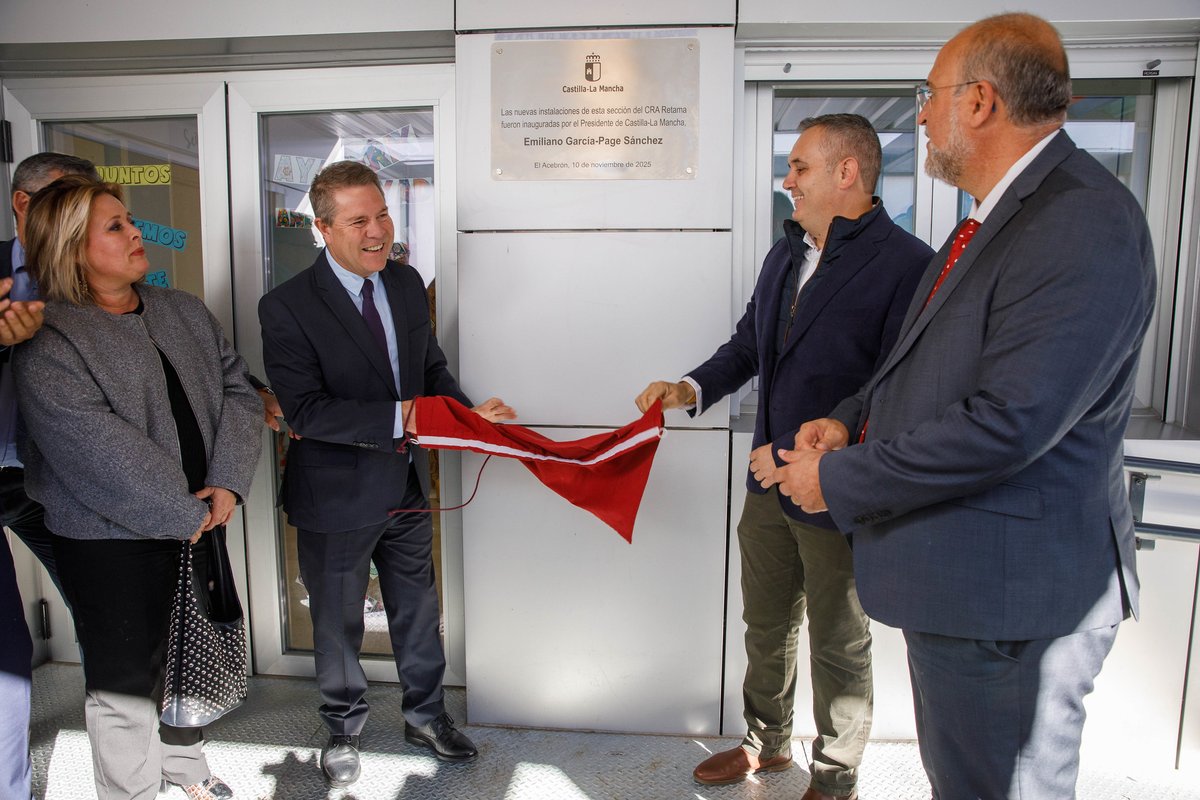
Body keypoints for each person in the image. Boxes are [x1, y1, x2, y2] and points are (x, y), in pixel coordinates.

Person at [773, 13, 1156, 799]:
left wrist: (838, 478)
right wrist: (851, 414)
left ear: (979, 102)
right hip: (972, 590)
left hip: (1011, 604)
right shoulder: (994, 220)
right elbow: (924, 362)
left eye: (928, 94)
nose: (919, 114)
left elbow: (1010, 421)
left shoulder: (1079, 221)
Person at [636, 114, 932, 800]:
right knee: (766, 624)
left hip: (836, 487)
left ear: (846, 173)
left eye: (799, 167)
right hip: (764, 486)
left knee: (838, 639)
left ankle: (835, 774)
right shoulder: (786, 251)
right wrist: (690, 387)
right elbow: (749, 346)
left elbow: (893, 389)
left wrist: (805, 450)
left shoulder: (908, 265)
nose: (787, 180)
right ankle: (765, 745)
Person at [258, 161, 515, 788]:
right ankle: (343, 724)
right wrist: (401, 417)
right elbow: (306, 411)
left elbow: (429, 369)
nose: (378, 231)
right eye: (358, 221)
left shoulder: (404, 285)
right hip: (334, 495)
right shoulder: (286, 308)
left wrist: (463, 413)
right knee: (338, 621)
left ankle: (425, 716)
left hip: (404, 484)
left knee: (418, 610)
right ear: (322, 228)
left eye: (383, 214)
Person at [13, 176, 263, 800]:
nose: (135, 234)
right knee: (125, 687)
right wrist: (187, 511)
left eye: (131, 220)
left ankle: (185, 772)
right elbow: (95, 449)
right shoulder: (51, 338)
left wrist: (228, 483)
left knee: (189, 661)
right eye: (115, 226)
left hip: (199, 518)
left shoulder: (180, 309)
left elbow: (239, 391)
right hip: (110, 542)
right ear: (72, 248)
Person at [0, 152, 97, 800]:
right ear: (24, 207)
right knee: (6, 662)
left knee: (112, 614)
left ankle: (147, 762)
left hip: (52, 482)